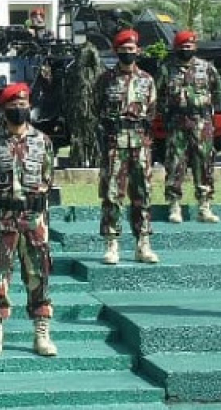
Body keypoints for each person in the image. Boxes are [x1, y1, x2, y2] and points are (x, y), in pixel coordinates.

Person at [0, 83, 57, 358]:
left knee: (38, 274)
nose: (18, 109)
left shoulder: (43, 142)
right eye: (12, 106)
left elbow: (48, 179)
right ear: (3, 110)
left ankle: (41, 330)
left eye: (23, 105)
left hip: (34, 219)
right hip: (2, 218)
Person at [94, 29, 159, 265]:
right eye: (123, 50)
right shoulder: (105, 80)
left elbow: (151, 111)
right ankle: (112, 244)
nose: (127, 53)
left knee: (143, 193)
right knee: (112, 193)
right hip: (115, 141)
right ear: (116, 52)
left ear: (137, 51)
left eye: (131, 50)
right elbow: (95, 108)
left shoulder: (147, 80)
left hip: (140, 142)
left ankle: (143, 243)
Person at [159, 31, 221, 224]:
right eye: (182, 46)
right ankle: (174, 205)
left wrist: (209, 110)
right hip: (177, 123)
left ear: (194, 47)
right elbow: (158, 93)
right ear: (176, 48)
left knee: (204, 163)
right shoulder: (167, 69)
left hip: (201, 122)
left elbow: (217, 91)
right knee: (175, 164)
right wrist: (167, 113)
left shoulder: (206, 68)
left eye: (189, 46)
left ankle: (204, 206)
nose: (186, 49)